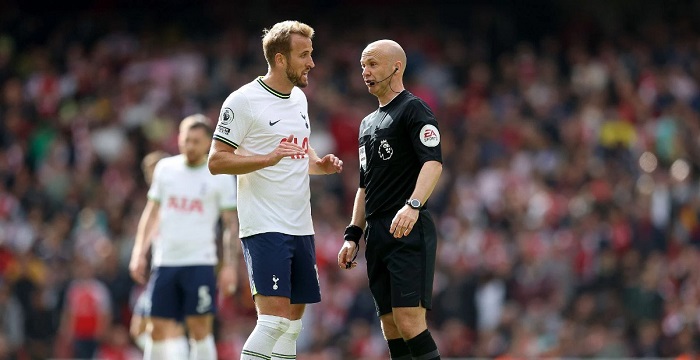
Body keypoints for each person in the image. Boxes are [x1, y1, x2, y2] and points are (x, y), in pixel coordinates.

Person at [207, 20, 343, 360]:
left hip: (301, 225)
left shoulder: (299, 99)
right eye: (304, 55)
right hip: (265, 225)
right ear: (280, 59)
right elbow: (217, 161)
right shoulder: (244, 100)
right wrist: (266, 158)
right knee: (272, 322)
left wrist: (319, 165)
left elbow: (298, 154)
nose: (312, 62)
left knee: (292, 326)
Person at [337, 39, 443, 360]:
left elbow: (433, 162)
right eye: (363, 67)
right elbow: (364, 186)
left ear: (396, 67)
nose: (365, 72)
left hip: (407, 230)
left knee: (410, 321)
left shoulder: (414, 108)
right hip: (378, 233)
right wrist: (353, 235)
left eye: (372, 64)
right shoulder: (367, 124)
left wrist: (413, 205)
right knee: (391, 325)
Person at [129, 114, 240, 360]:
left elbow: (230, 225)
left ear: (208, 143)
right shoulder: (165, 169)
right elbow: (151, 213)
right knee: (155, 328)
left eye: (196, 141)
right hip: (165, 261)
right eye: (186, 139)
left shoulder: (220, 175)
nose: (189, 145)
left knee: (200, 330)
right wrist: (139, 252)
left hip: (200, 261)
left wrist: (230, 266)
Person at [128, 150, 189, 353]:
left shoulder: (182, 199)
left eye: (154, 171)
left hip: (179, 271)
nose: (151, 177)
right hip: (159, 272)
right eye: (148, 173)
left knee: (171, 328)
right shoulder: (154, 202)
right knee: (139, 328)